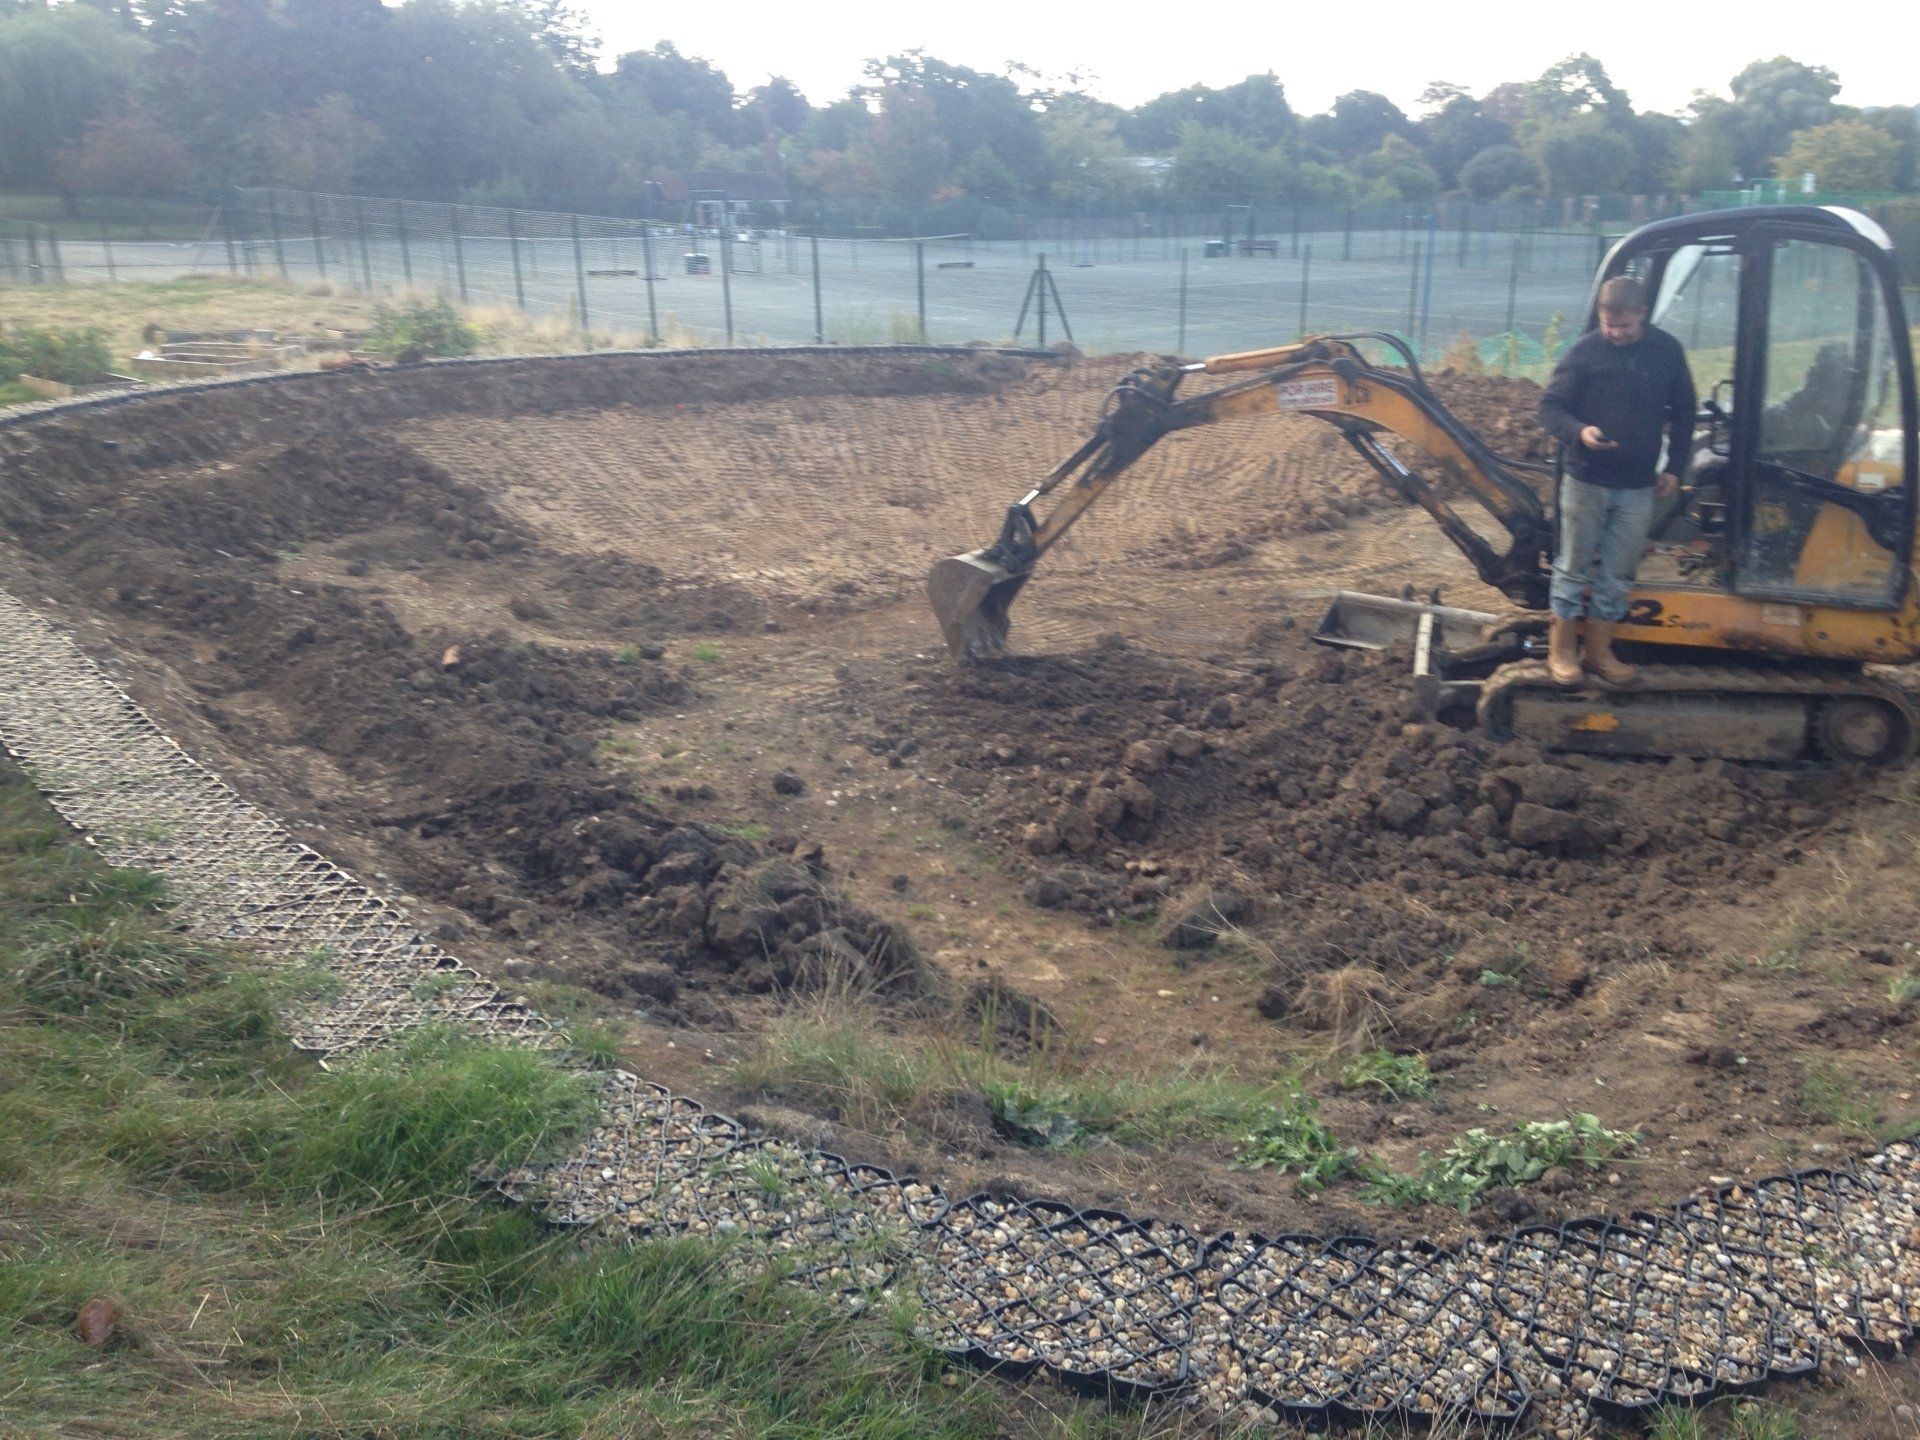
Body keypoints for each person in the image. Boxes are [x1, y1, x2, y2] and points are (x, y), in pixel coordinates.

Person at [1536, 275, 1697, 685]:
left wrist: (1675, 467)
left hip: (1637, 485)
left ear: (1642, 314)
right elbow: (1551, 407)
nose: (1615, 333)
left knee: (1618, 573)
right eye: (1609, 325)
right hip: (1586, 480)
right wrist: (1580, 432)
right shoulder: (1586, 352)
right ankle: (1561, 653)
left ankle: (1598, 653)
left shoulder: (1666, 352)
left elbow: (1684, 413)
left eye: (1623, 325)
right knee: (1572, 567)